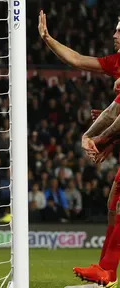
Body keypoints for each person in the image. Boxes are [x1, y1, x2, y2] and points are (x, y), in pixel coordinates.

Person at [39, 10, 120, 287]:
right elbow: (76, 59)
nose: (114, 34)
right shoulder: (117, 62)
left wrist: (101, 140)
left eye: (119, 30)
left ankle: (108, 271)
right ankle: (106, 271)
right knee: (113, 204)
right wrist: (48, 39)